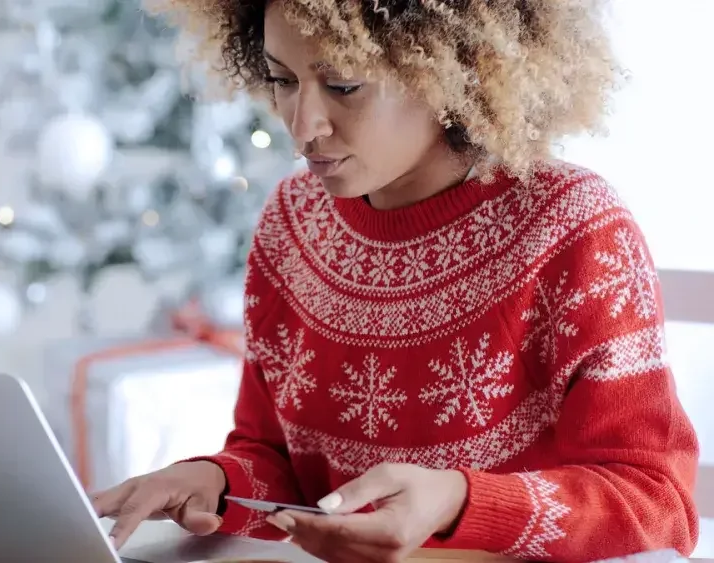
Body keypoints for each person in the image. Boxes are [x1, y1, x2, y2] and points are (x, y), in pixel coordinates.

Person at [92, 1, 700, 561]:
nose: (302, 126)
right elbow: (281, 466)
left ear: (451, 72)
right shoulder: (292, 223)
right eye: (282, 79)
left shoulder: (572, 226)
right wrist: (217, 481)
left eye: (343, 85)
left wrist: (459, 501)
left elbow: (658, 506)